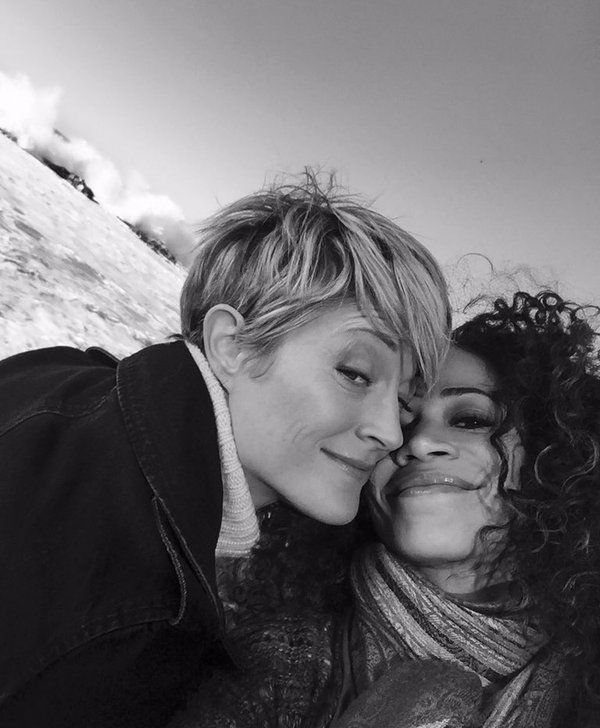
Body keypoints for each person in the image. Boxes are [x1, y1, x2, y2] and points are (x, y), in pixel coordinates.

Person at [0, 171, 450, 727]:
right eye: (356, 373)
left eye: (405, 401)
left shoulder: (67, 381)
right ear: (232, 346)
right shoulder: (140, 612)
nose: (391, 431)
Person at [172, 291, 600, 728]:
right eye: (404, 421)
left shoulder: (585, 687)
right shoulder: (246, 641)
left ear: (557, 458)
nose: (414, 443)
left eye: (470, 419)